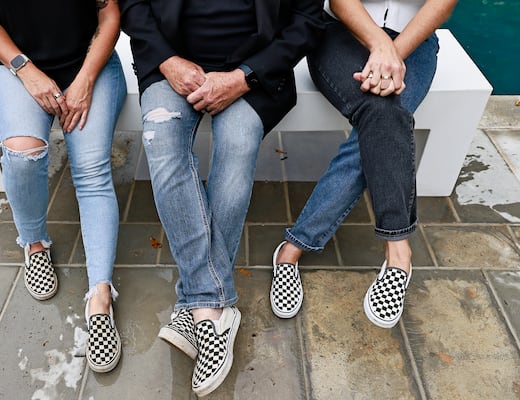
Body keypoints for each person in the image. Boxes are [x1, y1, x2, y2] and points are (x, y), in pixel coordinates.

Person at [119, 0, 323, 396]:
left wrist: (244, 76)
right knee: (160, 140)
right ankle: (214, 307)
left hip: (254, 70)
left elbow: (308, 20)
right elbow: (132, 5)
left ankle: (193, 302)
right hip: (172, 62)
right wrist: (167, 61)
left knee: (238, 144)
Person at [269, 0, 458, 327]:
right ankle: (399, 254)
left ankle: (292, 248)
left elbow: (442, 4)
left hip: (415, 41)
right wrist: (381, 48)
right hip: (340, 35)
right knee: (384, 114)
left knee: (383, 117)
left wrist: (393, 55)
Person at [0, 0, 127, 373]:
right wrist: (26, 69)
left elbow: (108, 12)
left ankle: (100, 296)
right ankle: (35, 244)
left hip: (89, 64)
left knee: (90, 169)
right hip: (15, 66)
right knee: (23, 155)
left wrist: (85, 79)